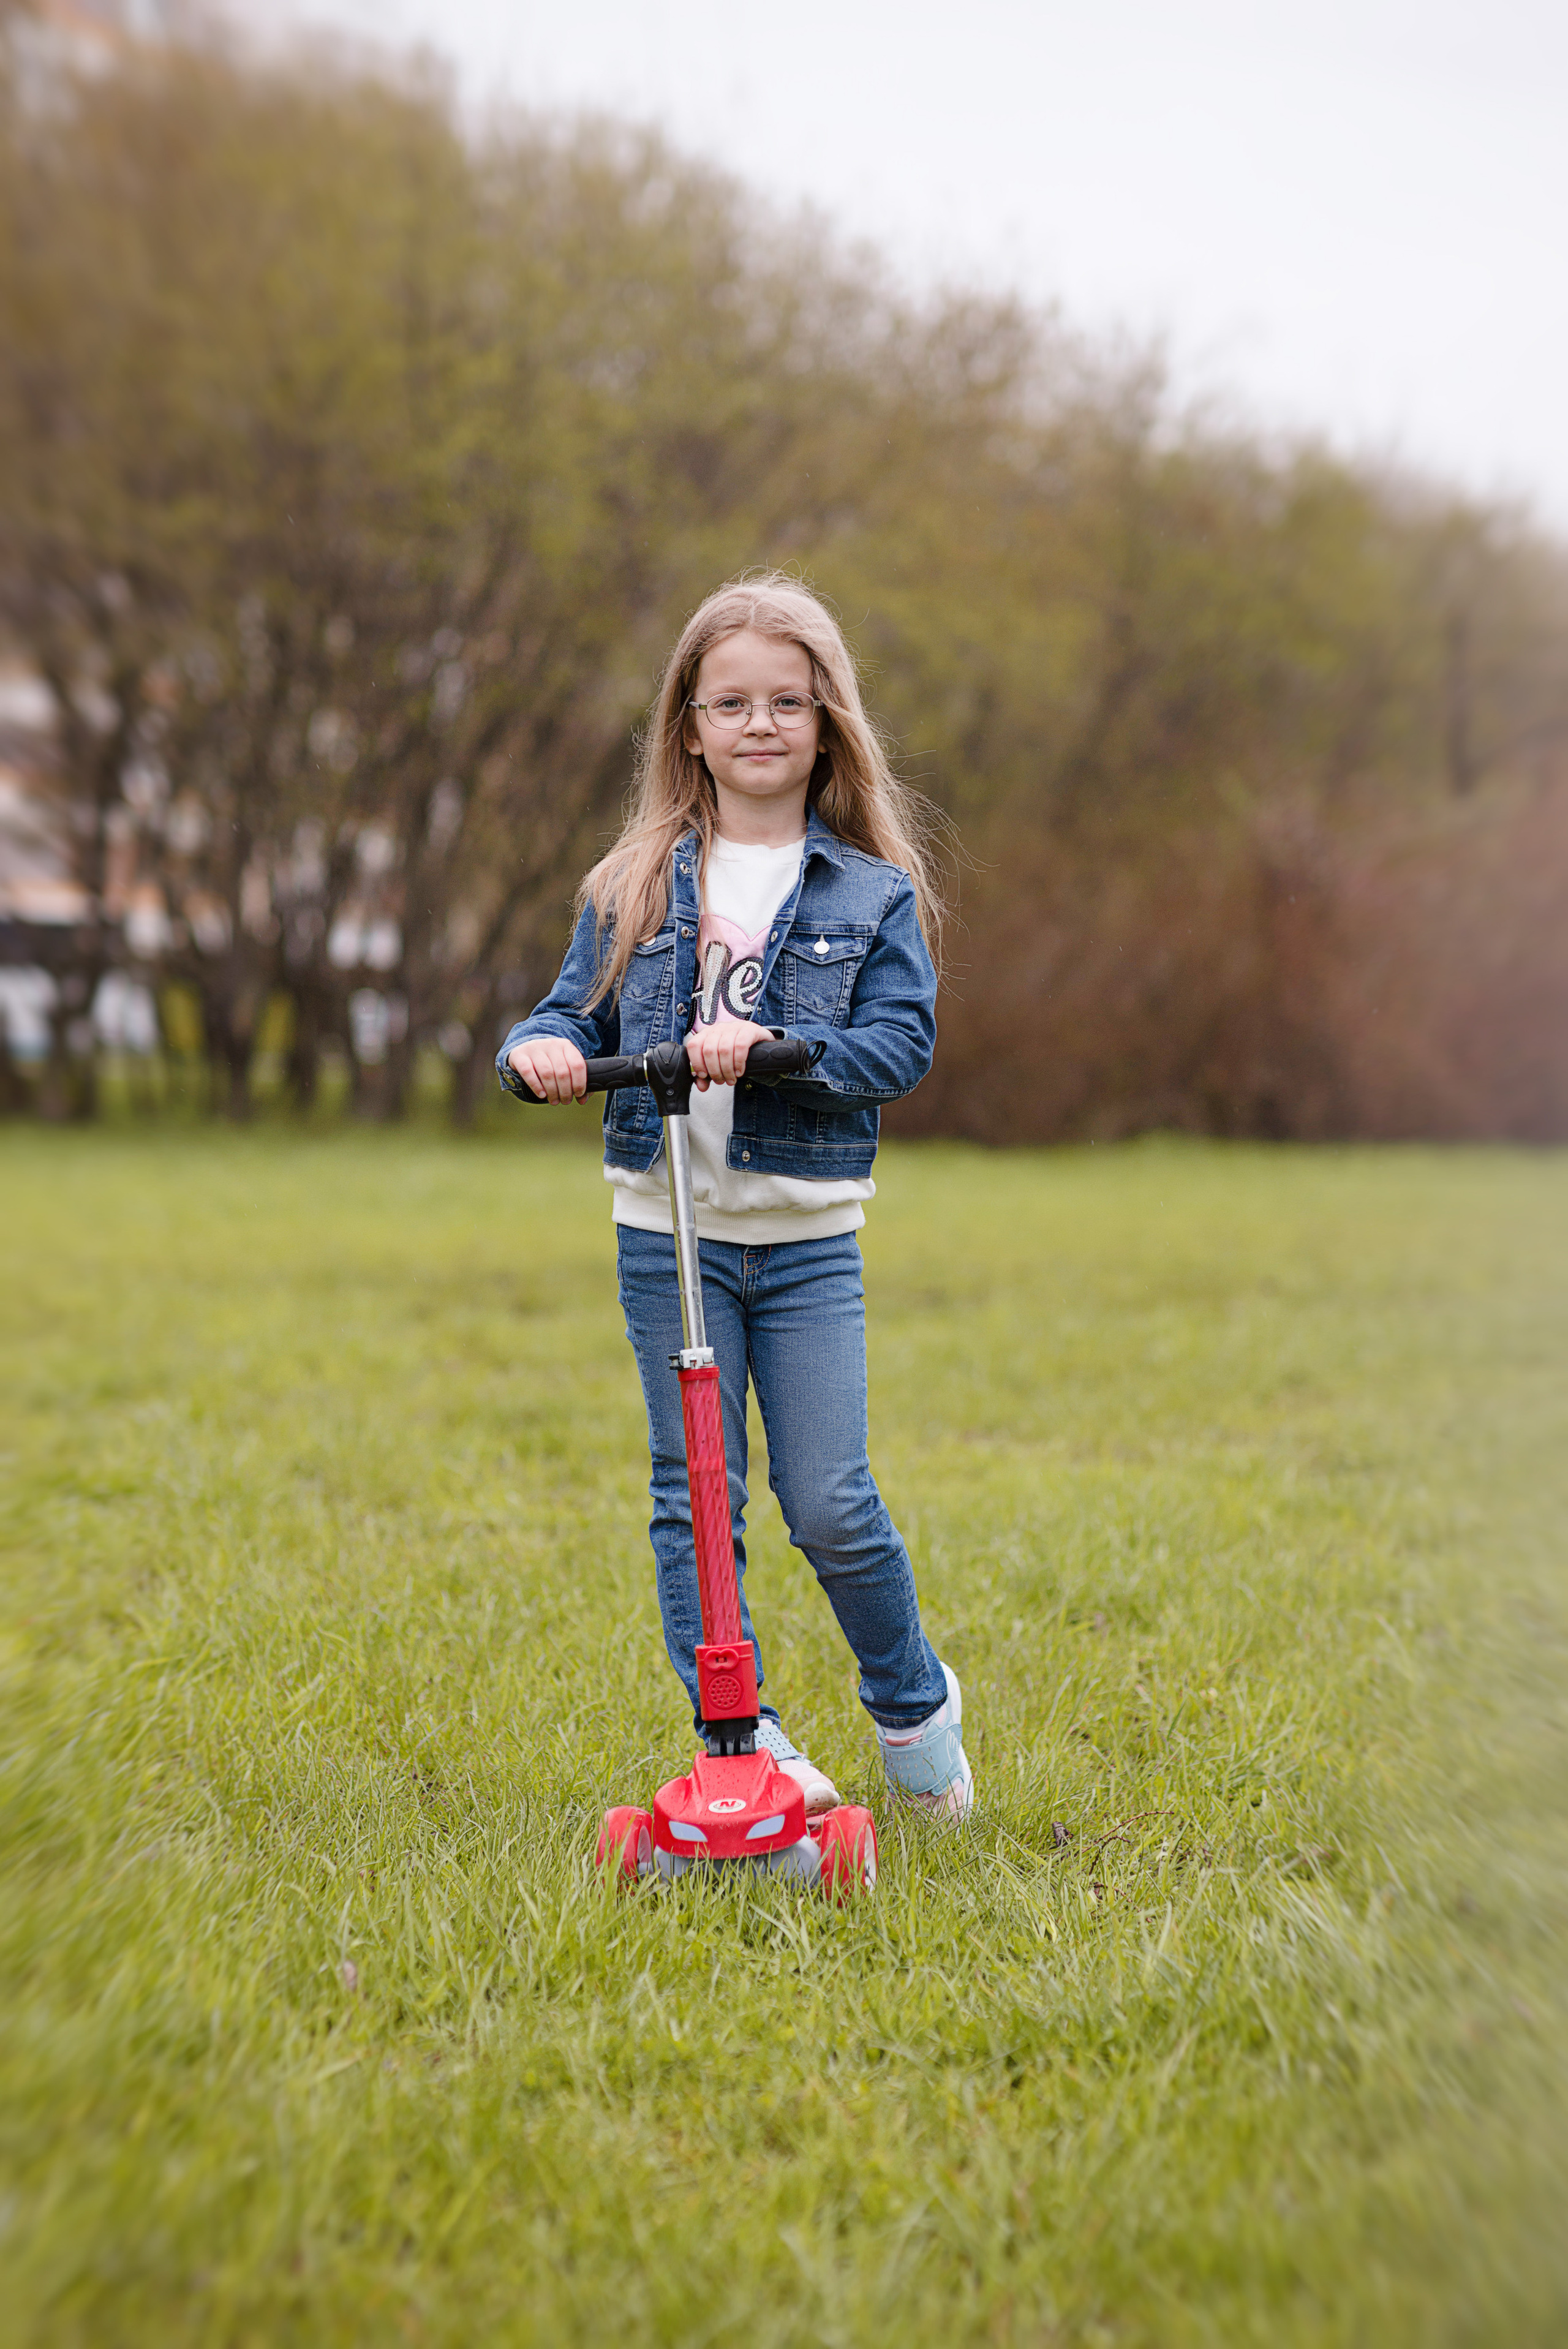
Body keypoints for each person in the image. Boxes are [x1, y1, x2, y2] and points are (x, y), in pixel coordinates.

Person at [497, 573, 973, 1821]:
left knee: (827, 1501)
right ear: (688, 727)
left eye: (785, 702)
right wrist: (539, 1049)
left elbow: (897, 1050)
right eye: (730, 703)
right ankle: (738, 1734)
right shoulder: (630, 882)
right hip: (668, 1231)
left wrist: (769, 1048)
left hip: (804, 1240)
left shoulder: (869, 892)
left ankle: (912, 1702)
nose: (758, 723)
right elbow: (568, 1013)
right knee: (691, 1485)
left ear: (825, 724)